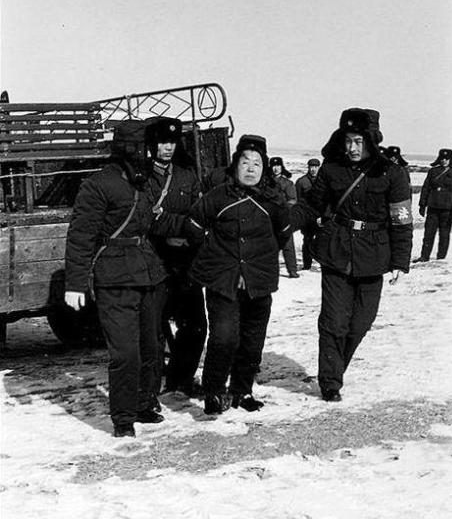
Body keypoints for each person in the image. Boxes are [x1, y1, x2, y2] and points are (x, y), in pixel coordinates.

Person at [292, 108, 413, 402]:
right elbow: (312, 205)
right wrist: (284, 223)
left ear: (371, 141)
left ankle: (334, 368)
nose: (352, 148)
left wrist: (400, 261)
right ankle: (330, 382)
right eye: (348, 141)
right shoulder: (331, 169)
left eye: (359, 141)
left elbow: (401, 220)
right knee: (333, 322)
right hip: (337, 252)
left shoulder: (392, 173)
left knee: (360, 323)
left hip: (374, 256)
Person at [64, 119, 167, 437]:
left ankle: (144, 404)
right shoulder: (98, 184)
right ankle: (123, 418)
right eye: (142, 147)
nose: (146, 153)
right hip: (115, 276)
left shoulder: (146, 181)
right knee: (125, 353)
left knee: (151, 347)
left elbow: (155, 223)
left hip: (148, 273)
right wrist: (75, 283)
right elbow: (81, 235)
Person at [186, 135, 291, 414]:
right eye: (245, 162)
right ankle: (213, 391)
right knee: (224, 338)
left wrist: (258, 260)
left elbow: (282, 235)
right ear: (235, 165)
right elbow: (194, 226)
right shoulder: (218, 196)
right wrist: (216, 255)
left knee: (252, 342)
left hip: (259, 281)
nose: (250, 168)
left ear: (264, 168)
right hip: (223, 281)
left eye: (257, 163)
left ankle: (242, 390)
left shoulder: (274, 201)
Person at [145, 117, 207, 396]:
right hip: (155, 260)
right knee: (155, 326)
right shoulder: (144, 178)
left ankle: (181, 379)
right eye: (162, 142)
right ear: (152, 145)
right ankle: (151, 385)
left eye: (172, 142)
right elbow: (148, 220)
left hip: (184, 261)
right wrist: (182, 225)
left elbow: (199, 215)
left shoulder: (186, 176)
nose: (168, 148)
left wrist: (174, 224)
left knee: (196, 326)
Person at [413, 148, 452, 262]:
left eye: (446, 158)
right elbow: (426, 188)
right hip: (433, 207)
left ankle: (441, 258)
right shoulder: (433, 171)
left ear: (450, 159)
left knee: (444, 234)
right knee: (428, 233)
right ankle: (424, 256)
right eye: (442, 158)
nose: (444, 160)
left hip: (447, 208)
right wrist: (422, 204)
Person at [269, 156, 299, 278]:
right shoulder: (265, 183)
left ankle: (292, 270)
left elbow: (293, 200)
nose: (276, 169)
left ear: (282, 167)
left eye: (278, 166)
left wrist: (283, 207)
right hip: (269, 218)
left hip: (283, 218)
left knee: (288, 244)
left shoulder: (288, 183)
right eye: (273, 166)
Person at [295, 158, 321, 269]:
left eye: (316, 167)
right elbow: (297, 199)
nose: (313, 169)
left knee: (322, 240)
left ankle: (322, 263)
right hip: (307, 215)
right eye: (311, 167)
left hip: (320, 215)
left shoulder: (323, 180)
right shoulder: (301, 181)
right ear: (308, 167)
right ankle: (307, 265)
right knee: (307, 240)